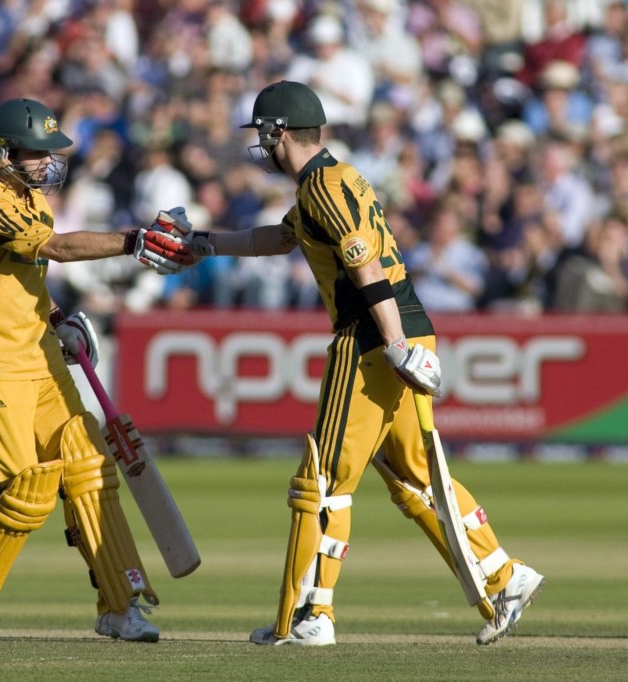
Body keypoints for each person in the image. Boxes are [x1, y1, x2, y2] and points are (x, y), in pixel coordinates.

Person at [177, 81, 544, 646]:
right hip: (407, 327)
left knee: (323, 480)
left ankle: (313, 615)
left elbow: (363, 262)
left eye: (262, 136)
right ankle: (504, 574)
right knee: (415, 481)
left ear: (278, 132)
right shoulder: (332, 181)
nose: (261, 147)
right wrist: (204, 242)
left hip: (372, 336)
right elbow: (278, 239)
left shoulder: (321, 185)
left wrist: (394, 343)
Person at [0, 97, 191, 641]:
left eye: (50, 154)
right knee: (24, 489)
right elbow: (56, 248)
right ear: (1, 153)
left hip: (40, 359)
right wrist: (134, 241)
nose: (47, 163)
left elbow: (27, 278)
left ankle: (120, 606)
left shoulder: (32, 202)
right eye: (35, 154)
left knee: (90, 467)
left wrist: (57, 319)